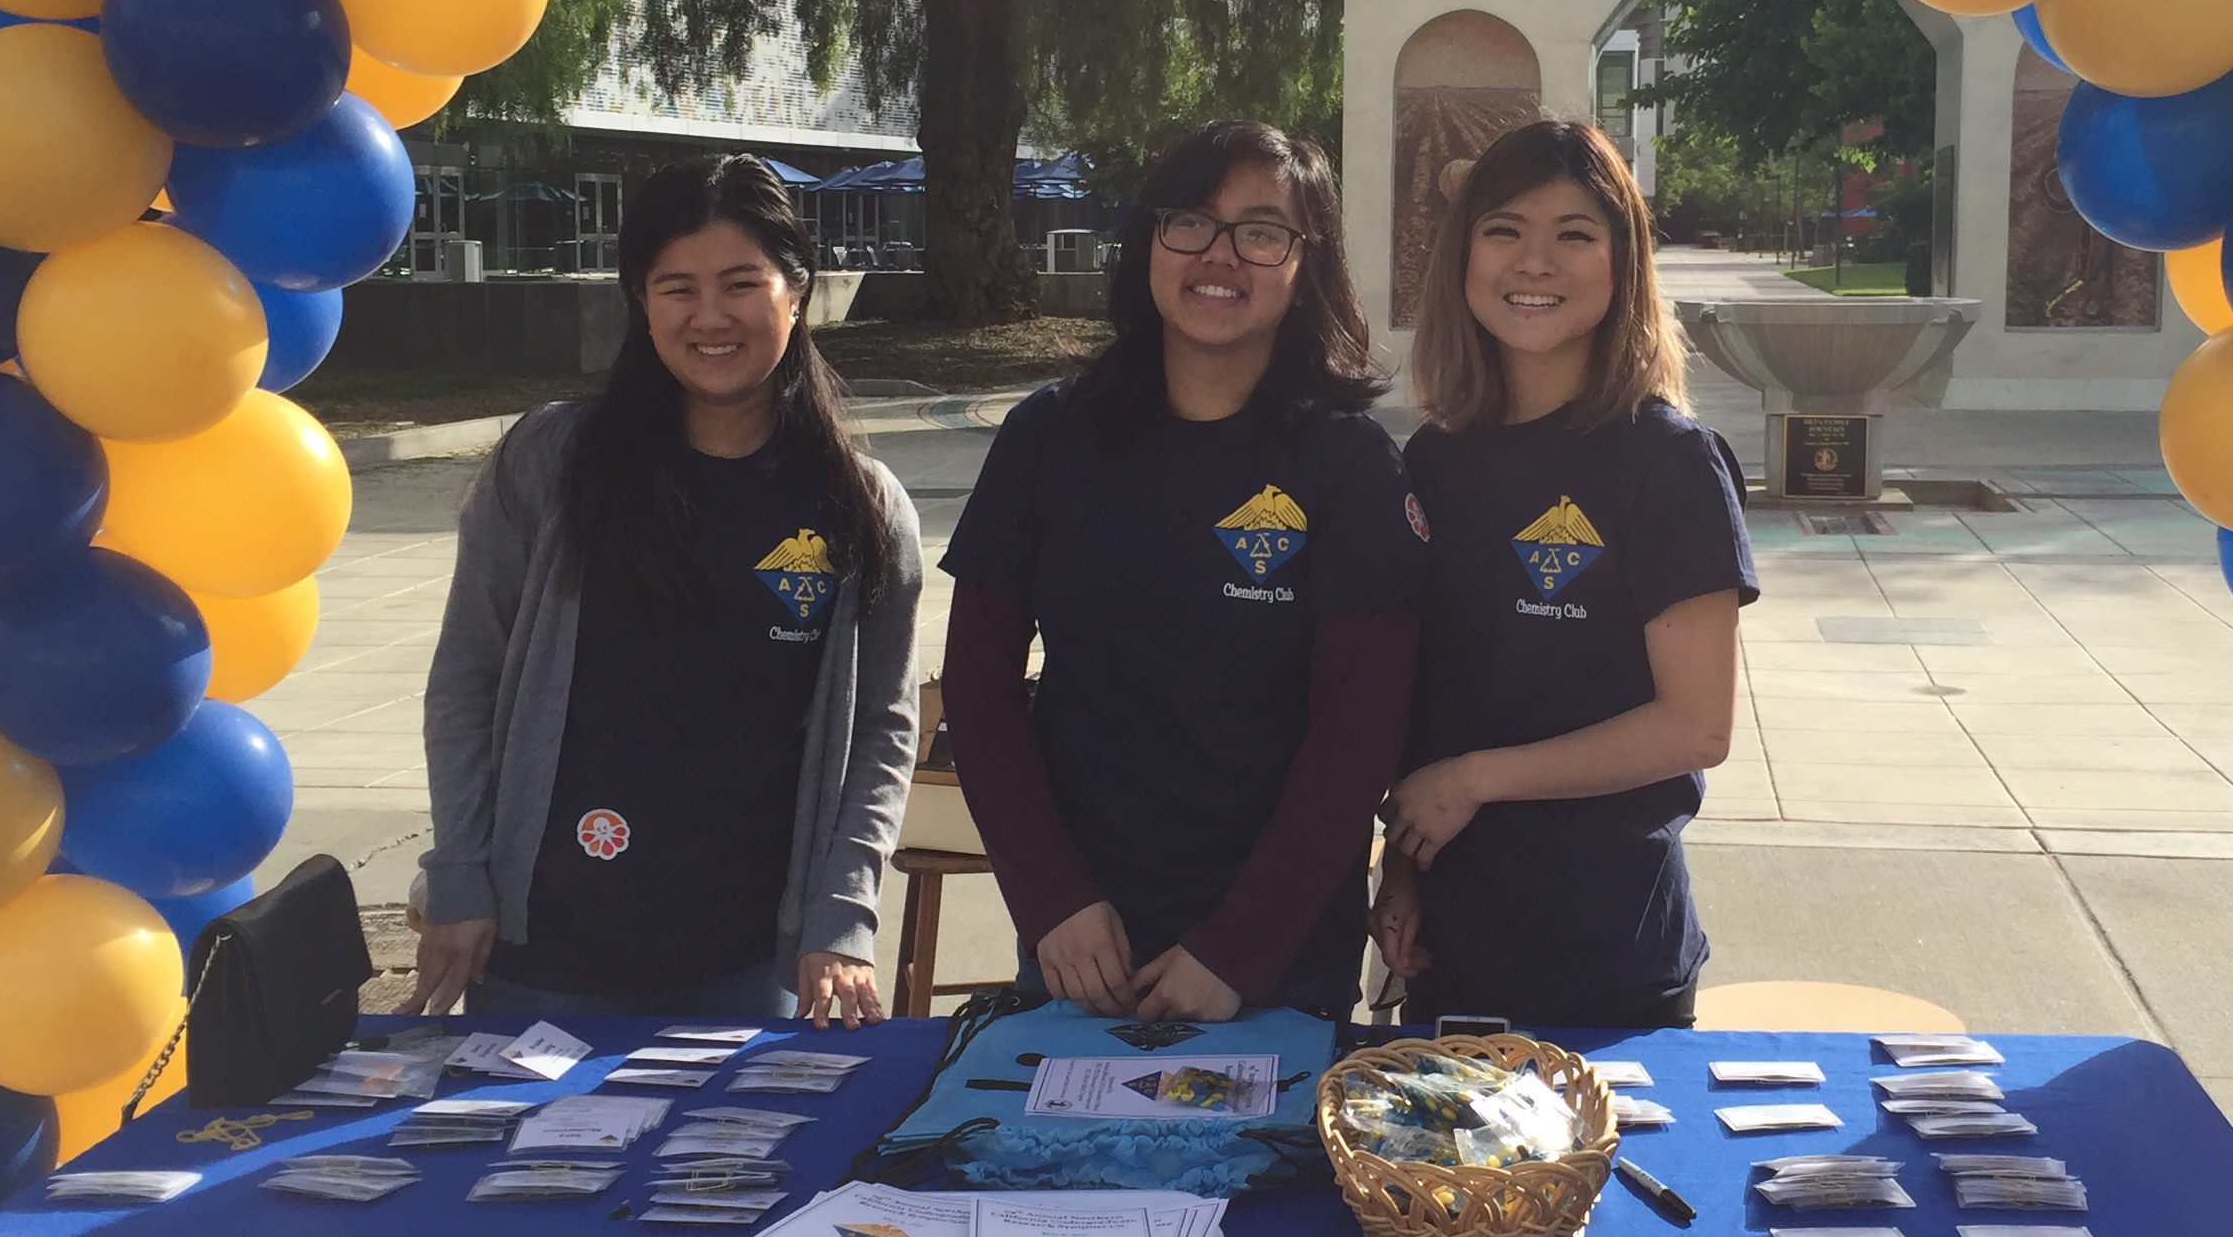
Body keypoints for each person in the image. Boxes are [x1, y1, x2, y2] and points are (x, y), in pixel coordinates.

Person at [408, 155, 923, 1022]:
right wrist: (460, 872)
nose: (710, 317)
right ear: (640, 303)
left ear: (797, 292)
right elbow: (468, 677)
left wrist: (843, 914)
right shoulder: (554, 464)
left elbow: (881, 728)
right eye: (676, 288)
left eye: (741, 284)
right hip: (542, 955)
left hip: (751, 964)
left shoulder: (860, 507)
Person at [940, 120, 1423, 1023]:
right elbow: (977, 683)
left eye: (1262, 230)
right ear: (1148, 241)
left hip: (1278, 965)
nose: (1220, 255)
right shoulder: (1049, 437)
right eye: (1191, 222)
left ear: (1305, 262)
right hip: (1083, 947)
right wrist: (1051, 899)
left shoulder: (1348, 464)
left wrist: (1238, 948)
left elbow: (1360, 734)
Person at [1374, 119, 1756, 1029]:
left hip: (1608, 957)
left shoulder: (1669, 462)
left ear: (1622, 264)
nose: (1534, 263)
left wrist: (1472, 781)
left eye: (1574, 235)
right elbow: (1428, 698)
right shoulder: (1434, 458)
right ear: (1464, 255)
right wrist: (1404, 867)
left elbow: (1696, 727)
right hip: (1452, 946)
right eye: (1504, 230)